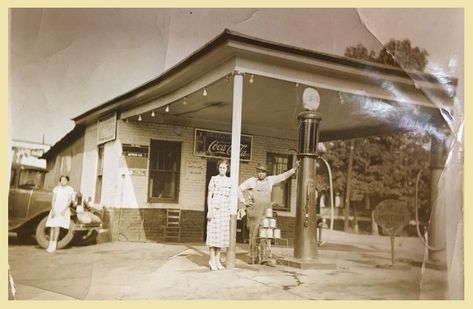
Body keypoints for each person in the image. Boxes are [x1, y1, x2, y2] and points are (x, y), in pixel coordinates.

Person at [238, 160, 300, 263]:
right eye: (259, 171)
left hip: (266, 211)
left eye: (263, 171)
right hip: (254, 212)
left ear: (266, 172)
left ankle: (265, 257)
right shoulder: (252, 181)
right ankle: (253, 257)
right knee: (253, 235)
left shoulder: (270, 180)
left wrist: (294, 169)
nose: (261, 173)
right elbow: (239, 188)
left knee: (266, 234)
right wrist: (244, 201)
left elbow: (283, 176)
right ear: (256, 172)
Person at [206, 159, 231, 271]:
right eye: (220, 167)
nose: (222, 169)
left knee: (221, 237)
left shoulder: (230, 181)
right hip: (215, 210)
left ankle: (217, 260)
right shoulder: (214, 179)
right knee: (213, 235)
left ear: (227, 169)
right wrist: (209, 210)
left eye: (224, 168)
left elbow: (230, 197)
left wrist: (229, 212)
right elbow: (209, 196)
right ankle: (212, 260)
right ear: (218, 168)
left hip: (224, 210)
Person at [45, 175, 75, 253]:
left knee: (57, 227)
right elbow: (53, 200)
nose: (63, 181)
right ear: (60, 181)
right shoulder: (56, 189)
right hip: (55, 209)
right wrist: (53, 210)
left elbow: (69, 201)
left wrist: (64, 210)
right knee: (52, 227)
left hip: (63, 210)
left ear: (67, 181)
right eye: (61, 180)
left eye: (65, 180)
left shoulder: (69, 189)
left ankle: (54, 245)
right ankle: (50, 245)